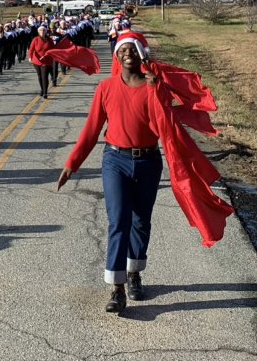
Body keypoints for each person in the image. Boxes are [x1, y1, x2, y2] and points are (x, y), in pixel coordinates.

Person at [56, 31, 233, 314]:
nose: (128, 54)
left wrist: (155, 90)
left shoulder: (156, 87)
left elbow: (163, 126)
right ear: (117, 54)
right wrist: (71, 164)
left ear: (142, 54)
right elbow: (90, 131)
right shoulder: (105, 88)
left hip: (148, 161)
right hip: (115, 160)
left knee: (141, 222)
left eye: (133, 50)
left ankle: (134, 273)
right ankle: (116, 288)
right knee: (119, 221)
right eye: (123, 49)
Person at [27, 23, 55, 98]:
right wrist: (30, 57)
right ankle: (42, 89)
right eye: (40, 30)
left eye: (43, 30)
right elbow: (31, 49)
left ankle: (45, 92)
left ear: (46, 31)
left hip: (46, 61)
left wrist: (46, 56)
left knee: (44, 76)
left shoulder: (49, 40)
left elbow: (53, 50)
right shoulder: (35, 39)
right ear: (38, 32)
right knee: (39, 76)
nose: (42, 31)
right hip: (36, 61)